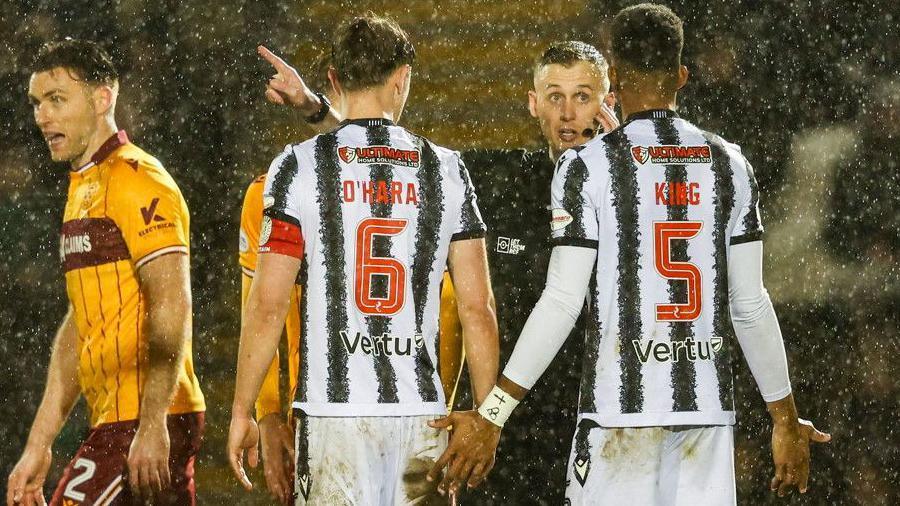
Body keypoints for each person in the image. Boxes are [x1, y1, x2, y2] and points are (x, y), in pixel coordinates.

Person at [444, 4, 832, 504]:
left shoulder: (589, 166)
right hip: (705, 418)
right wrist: (783, 417)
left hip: (617, 414)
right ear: (682, 75)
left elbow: (562, 302)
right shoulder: (730, 163)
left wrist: (493, 412)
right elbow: (751, 304)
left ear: (616, 81)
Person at [257, 38, 618, 504]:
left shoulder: (639, 204)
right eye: (555, 96)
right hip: (500, 424)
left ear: (608, 105)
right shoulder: (501, 178)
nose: (568, 113)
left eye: (583, 97)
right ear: (534, 104)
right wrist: (313, 108)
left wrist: (622, 171)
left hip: (599, 415)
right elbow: (374, 156)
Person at [227, 13, 499, 505]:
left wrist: (243, 410)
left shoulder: (297, 166)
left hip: (334, 414)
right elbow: (479, 310)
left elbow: (267, 305)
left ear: (332, 79)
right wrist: (487, 415)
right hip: (422, 415)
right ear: (403, 80)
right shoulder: (446, 168)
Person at [7, 39, 205, 506]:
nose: (42, 117)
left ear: (103, 99)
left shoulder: (138, 178)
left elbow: (172, 304)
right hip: (117, 419)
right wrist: (40, 443)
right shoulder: (83, 187)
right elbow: (81, 323)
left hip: (147, 416)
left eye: (57, 100)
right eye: (37, 103)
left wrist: (154, 421)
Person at [238, 170, 466, 504]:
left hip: (324, 416)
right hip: (408, 408)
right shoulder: (427, 175)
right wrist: (439, 416)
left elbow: (261, 308)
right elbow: (457, 307)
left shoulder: (282, 181)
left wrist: (262, 411)